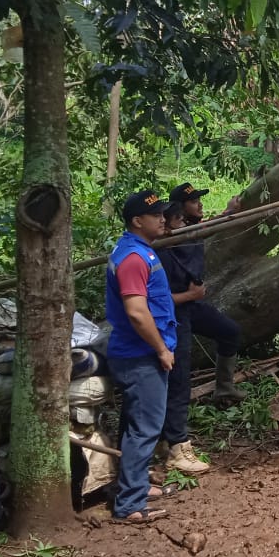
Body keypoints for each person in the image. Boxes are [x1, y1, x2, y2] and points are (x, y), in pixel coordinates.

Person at [105, 190, 177, 523]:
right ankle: (130, 504)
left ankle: (132, 485)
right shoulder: (133, 258)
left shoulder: (137, 252)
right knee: (144, 428)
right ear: (137, 221)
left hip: (137, 352)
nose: (163, 219)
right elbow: (137, 312)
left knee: (135, 423)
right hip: (140, 355)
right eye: (157, 215)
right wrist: (161, 349)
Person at [167, 182, 246, 412]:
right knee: (179, 362)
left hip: (192, 303)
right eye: (194, 201)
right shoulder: (175, 232)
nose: (200, 204)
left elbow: (205, 227)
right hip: (173, 305)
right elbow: (205, 229)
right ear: (179, 209)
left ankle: (224, 387)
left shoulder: (191, 225)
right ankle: (172, 418)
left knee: (229, 331)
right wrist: (229, 213)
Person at [155, 201, 212, 474]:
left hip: (176, 321)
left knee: (170, 385)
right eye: (177, 222)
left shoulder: (163, 249)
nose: (181, 227)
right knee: (176, 385)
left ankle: (164, 440)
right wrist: (190, 295)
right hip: (169, 325)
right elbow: (153, 299)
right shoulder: (157, 254)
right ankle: (176, 445)